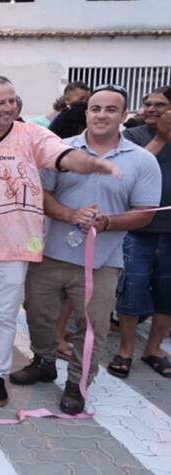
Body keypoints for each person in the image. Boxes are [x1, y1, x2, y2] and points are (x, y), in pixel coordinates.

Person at [0, 75, 120, 408]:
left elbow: (63, 156)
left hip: (17, 246)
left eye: (12, 100)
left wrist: (90, 164)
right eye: (1, 101)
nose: (9, 107)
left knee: (5, 313)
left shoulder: (32, 135)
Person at [14, 85, 161, 414]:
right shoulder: (61, 150)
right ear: (86, 112)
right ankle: (44, 362)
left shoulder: (142, 161)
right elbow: (42, 195)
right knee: (37, 313)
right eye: (96, 108)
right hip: (50, 254)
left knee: (91, 326)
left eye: (111, 109)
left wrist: (108, 222)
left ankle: (76, 383)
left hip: (101, 262)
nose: (101, 115)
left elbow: (146, 212)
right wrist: (69, 215)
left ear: (124, 115)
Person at [108, 87, 171, 380]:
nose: (151, 109)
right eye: (148, 103)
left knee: (167, 295)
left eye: (160, 104)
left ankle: (153, 350)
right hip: (137, 231)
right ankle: (125, 350)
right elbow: (129, 170)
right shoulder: (133, 136)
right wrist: (161, 138)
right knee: (131, 291)